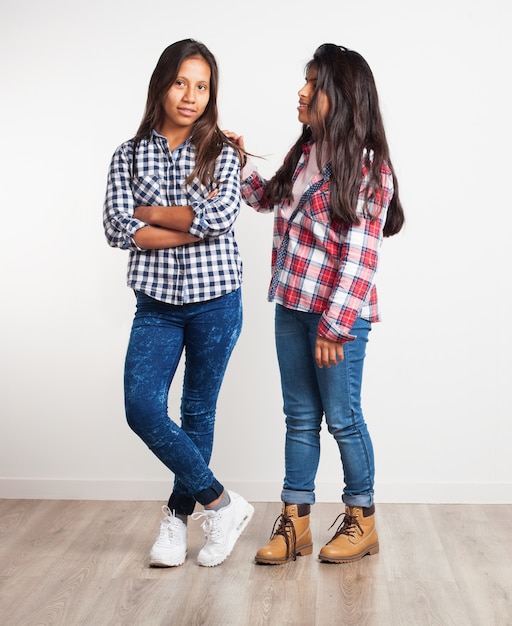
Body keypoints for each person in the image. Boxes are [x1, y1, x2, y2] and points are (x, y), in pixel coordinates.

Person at [225, 43, 404, 564]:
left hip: (337, 321)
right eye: (305, 82)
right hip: (291, 307)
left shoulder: (370, 168)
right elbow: (265, 198)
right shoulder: (304, 154)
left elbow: (361, 255)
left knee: (343, 418)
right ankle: (295, 524)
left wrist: (335, 325)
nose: (301, 92)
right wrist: (238, 161)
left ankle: (361, 519)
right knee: (299, 417)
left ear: (343, 98)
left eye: (314, 84)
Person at [103, 39, 254, 568]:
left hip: (217, 301)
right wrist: (185, 222)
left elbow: (219, 220)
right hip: (157, 304)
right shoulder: (128, 153)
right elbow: (117, 227)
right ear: (162, 84)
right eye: (181, 82)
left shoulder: (223, 152)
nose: (190, 95)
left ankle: (176, 518)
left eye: (202, 85)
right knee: (142, 407)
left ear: (211, 92)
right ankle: (222, 504)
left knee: (196, 412)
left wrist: (150, 213)